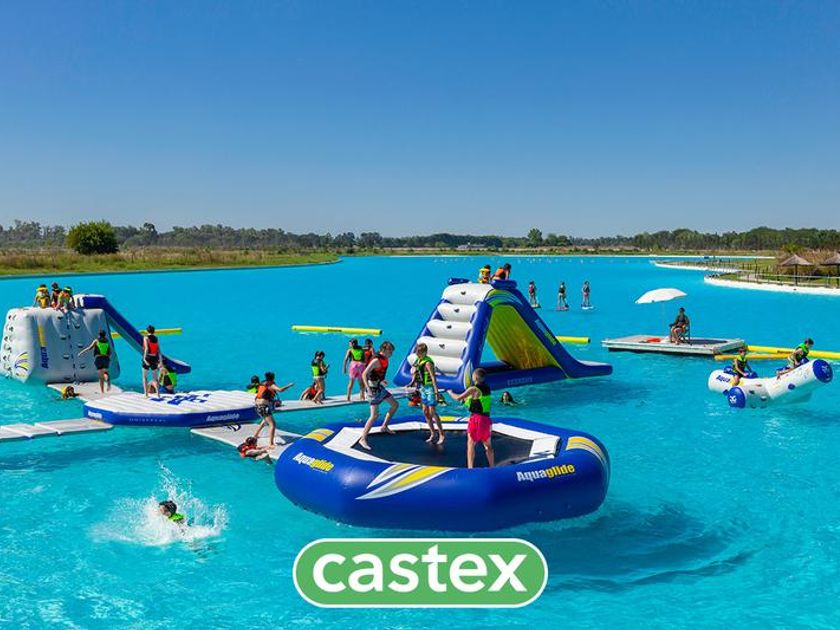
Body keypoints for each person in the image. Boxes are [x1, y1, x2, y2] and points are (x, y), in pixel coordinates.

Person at [447, 368, 494, 469]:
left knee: (471, 443)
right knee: (488, 445)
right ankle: (492, 466)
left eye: (473, 375)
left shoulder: (473, 389)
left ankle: (470, 468)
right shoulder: (487, 388)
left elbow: (458, 398)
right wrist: (465, 401)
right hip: (486, 419)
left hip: (476, 419)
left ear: (475, 377)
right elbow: (476, 402)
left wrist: (450, 392)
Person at [358, 341, 399, 450]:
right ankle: (363, 438)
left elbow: (377, 374)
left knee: (395, 405)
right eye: (390, 351)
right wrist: (367, 389)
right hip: (373, 390)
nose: (391, 354)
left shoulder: (384, 359)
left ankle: (384, 426)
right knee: (374, 415)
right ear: (384, 350)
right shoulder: (376, 360)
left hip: (379, 387)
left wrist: (381, 380)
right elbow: (364, 374)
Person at [413, 342, 445, 445]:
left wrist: (436, 391)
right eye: (416, 353)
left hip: (430, 388)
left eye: (419, 353)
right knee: (425, 411)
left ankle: (441, 434)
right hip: (422, 388)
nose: (417, 355)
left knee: (432, 412)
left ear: (424, 352)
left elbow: (433, 377)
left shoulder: (428, 363)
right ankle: (432, 433)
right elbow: (416, 373)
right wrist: (411, 383)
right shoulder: (419, 360)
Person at [252, 371, 294, 447]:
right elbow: (280, 390)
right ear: (273, 378)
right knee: (272, 424)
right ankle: (271, 444)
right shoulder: (271, 384)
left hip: (257, 406)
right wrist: (289, 385)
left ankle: (255, 435)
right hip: (263, 407)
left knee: (265, 420)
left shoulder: (262, 383)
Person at [79, 330, 112, 394]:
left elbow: (89, 348)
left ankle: (102, 391)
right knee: (105, 372)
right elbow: (110, 352)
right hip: (106, 358)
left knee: (101, 376)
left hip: (98, 358)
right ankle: (108, 383)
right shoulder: (107, 341)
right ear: (105, 335)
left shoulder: (96, 341)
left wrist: (81, 352)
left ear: (99, 335)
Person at [142, 325, 162, 397]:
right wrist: (161, 361)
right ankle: (158, 394)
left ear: (147, 331)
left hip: (148, 357)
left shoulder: (146, 338)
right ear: (154, 331)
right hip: (155, 358)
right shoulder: (156, 338)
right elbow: (158, 350)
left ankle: (146, 394)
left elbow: (147, 348)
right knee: (155, 378)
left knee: (144, 376)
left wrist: (144, 358)